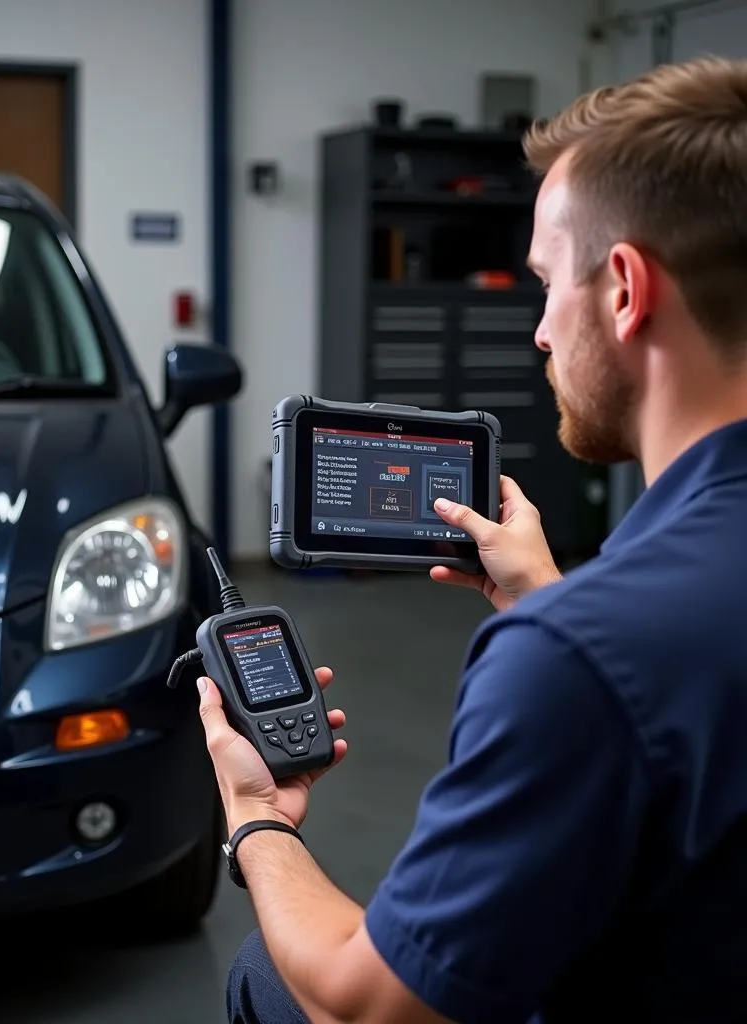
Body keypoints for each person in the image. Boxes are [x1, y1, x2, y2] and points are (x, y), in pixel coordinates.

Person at [196, 55, 747, 1024]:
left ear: (623, 290)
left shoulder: (578, 656)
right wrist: (550, 594)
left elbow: (365, 1007)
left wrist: (254, 823)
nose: (537, 332)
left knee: (265, 974)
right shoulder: (600, 633)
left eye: (544, 284)